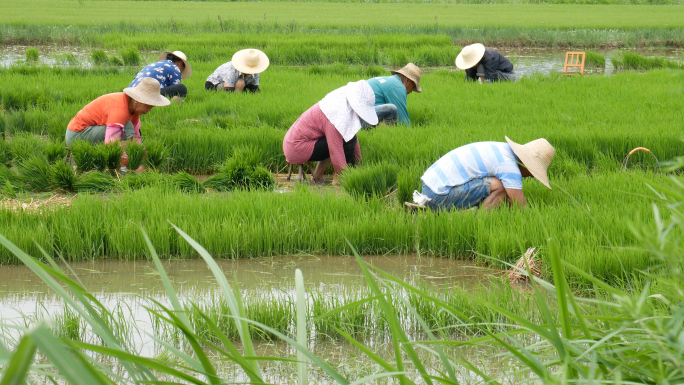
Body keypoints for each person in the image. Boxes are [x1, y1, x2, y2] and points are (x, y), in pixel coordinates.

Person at [419, 137, 554, 211]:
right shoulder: (509, 167)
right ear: (529, 168)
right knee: (500, 186)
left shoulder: (503, 149)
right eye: (533, 174)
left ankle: (470, 214)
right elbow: (521, 207)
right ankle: (481, 222)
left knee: (499, 188)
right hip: (438, 196)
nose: (530, 177)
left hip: (429, 188)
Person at [283, 80, 378, 184]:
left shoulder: (341, 105)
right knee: (344, 141)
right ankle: (337, 182)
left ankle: (316, 179)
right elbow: (335, 149)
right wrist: (343, 176)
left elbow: (352, 136)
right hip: (298, 147)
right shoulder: (336, 113)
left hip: (296, 143)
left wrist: (359, 165)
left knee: (346, 139)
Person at [65, 78, 170, 170]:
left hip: (92, 131)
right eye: (148, 105)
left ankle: (124, 162)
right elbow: (111, 145)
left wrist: (144, 158)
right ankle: (120, 164)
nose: (150, 110)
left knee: (130, 129)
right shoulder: (119, 109)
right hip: (76, 136)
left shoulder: (134, 112)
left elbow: (136, 139)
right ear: (138, 100)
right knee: (126, 128)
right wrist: (132, 165)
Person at [364, 63, 422, 127]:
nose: (411, 91)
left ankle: (376, 133)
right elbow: (403, 122)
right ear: (408, 80)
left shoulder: (388, 81)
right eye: (413, 86)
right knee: (392, 111)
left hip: (355, 112)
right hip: (359, 117)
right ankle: (379, 134)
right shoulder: (398, 87)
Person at [205, 49, 269, 93]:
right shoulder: (232, 69)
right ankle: (238, 95)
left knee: (246, 88)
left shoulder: (255, 71)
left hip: (234, 85)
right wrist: (235, 99)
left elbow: (254, 88)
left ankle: (240, 94)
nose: (251, 72)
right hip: (213, 85)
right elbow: (228, 89)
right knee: (240, 82)